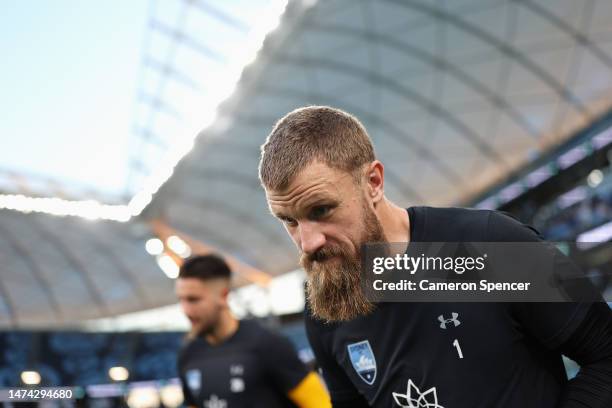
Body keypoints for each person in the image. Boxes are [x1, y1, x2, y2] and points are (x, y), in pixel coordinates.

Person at [258, 106, 612, 407]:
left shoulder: (488, 245)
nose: (307, 243)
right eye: (289, 221)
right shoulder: (325, 306)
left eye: (321, 210)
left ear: (373, 183)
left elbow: (606, 355)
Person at [175, 254, 331, 408]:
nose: (185, 310)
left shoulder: (268, 344)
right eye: (180, 300)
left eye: (193, 300)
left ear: (223, 296)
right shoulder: (188, 355)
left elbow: (320, 404)